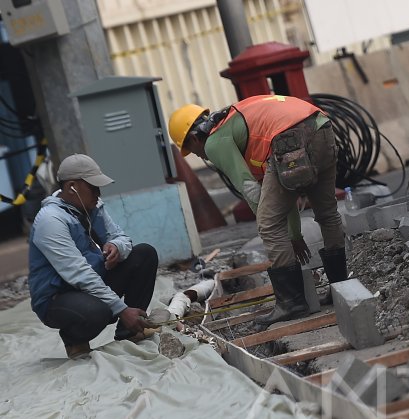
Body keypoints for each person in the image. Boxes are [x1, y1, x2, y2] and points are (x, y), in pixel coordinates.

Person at [168, 95, 348, 330]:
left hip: (289, 138)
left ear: (194, 137)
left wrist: (267, 218)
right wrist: (293, 236)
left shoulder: (214, 142)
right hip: (321, 125)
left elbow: (251, 190)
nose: (199, 156)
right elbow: (284, 194)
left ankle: (292, 302)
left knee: (268, 222)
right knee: (326, 212)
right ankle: (341, 288)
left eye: (191, 150)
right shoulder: (239, 124)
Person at [28, 154, 158, 359]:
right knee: (100, 311)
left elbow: (121, 237)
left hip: (88, 283)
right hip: (58, 297)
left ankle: (130, 331)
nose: (98, 193)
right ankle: (74, 339)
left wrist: (116, 247)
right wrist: (121, 308)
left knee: (144, 254)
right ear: (72, 187)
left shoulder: (92, 207)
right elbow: (78, 273)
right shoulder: (51, 220)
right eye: (93, 188)